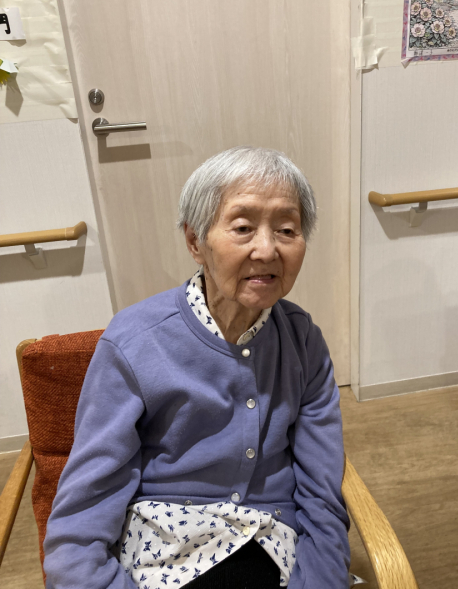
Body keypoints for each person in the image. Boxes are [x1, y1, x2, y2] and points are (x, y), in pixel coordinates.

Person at [43, 147, 350, 589]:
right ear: (195, 242)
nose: (267, 249)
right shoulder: (134, 342)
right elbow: (83, 515)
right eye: (243, 228)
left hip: (268, 540)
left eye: (287, 229)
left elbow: (323, 494)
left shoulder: (303, 341)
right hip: (163, 546)